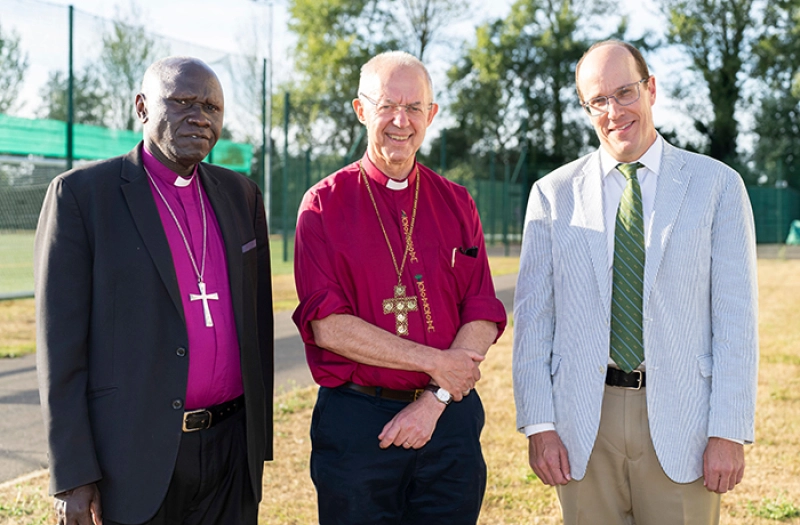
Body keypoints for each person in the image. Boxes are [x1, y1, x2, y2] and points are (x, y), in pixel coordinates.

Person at [512, 40, 758, 525]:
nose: (613, 111)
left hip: (685, 419)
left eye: (624, 93)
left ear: (650, 89)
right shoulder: (552, 194)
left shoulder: (718, 185)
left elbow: (736, 322)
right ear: (586, 108)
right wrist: (539, 426)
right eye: (597, 101)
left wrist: (728, 431)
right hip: (583, 421)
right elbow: (534, 323)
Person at [34, 56, 274, 525]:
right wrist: (73, 473)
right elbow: (59, 349)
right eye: (182, 101)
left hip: (230, 451)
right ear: (142, 107)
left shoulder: (241, 194)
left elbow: (258, 322)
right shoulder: (83, 196)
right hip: (132, 455)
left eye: (211, 106)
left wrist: (256, 444)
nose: (200, 116)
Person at [292, 50, 507, 525]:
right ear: (361, 109)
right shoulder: (323, 206)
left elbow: (482, 311)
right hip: (359, 426)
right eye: (387, 104)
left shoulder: (456, 203)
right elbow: (328, 327)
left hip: (449, 423)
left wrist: (434, 401)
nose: (400, 121)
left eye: (414, 108)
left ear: (431, 116)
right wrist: (436, 364)